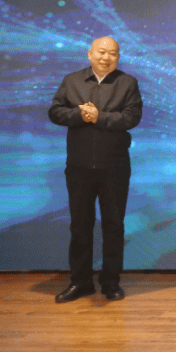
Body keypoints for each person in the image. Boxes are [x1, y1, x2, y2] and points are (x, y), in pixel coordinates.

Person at [48, 36, 142, 303]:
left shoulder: (128, 83)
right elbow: (55, 112)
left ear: (118, 57)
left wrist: (99, 117)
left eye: (112, 53)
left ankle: (111, 283)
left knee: (114, 226)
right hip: (79, 167)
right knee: (80, 227)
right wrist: (79, 115)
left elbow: (131, 117)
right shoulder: (72, 81)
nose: (106, 57)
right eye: (101, 52)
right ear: (89, 54)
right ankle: (80, 282)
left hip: (114, 167)